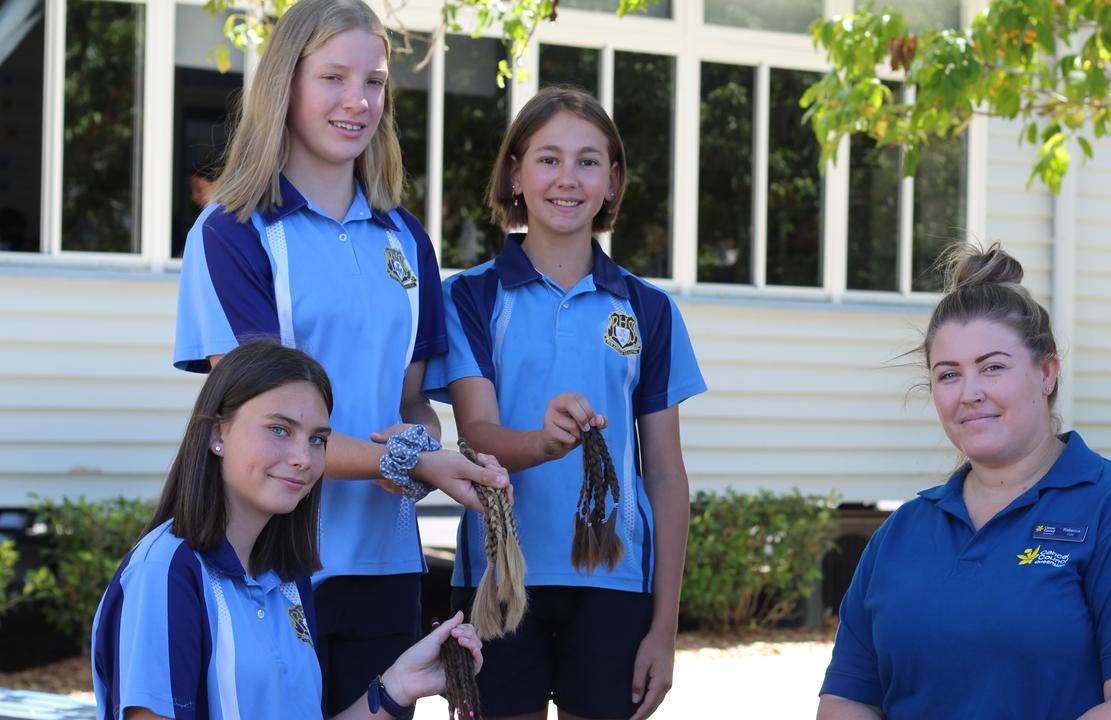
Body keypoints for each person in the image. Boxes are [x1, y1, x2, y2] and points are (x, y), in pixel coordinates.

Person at [171, 0, 508, 714]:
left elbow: (411, 399)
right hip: (269, 558)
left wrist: (423, 444)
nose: (358, 102)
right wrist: (413, 463)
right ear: (285, 84)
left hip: (385, 564)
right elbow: (265, 415)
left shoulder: (406, 236)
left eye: (375, 82)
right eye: (333, 78)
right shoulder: (231, 232)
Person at [818, 243, 1111, 719]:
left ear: (1047, 372)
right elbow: (846, 700)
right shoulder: (900, 534)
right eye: (949, 374)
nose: (970, 393)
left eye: (993, 367)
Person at [426, 85, 706, 720]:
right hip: (499, 580)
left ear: (612, 181)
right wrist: (542, 444)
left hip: (613, 581)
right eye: (548, 159)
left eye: (588, 161)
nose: (567, 178)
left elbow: (664, 471)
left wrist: (665, 625)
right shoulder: (469, 296)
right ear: (515, 174)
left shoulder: (649, 309)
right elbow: (476, 433)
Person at [91, 341, 483, 720]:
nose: (303, 458)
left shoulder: (288, 579)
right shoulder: (166, 572)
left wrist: (399, 685)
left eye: (317, 439)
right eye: (279, 430)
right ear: (216, 435)